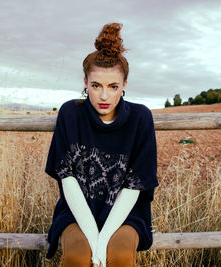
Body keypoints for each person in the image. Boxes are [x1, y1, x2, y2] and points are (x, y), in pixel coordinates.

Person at [45, 22, 158, 267]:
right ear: (85, 81)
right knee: (77, 257)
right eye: (96, 86)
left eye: (113, 86)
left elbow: (135, 185)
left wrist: (103, 240)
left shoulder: (140, 118)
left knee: (118, 256)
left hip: (126, 213)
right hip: (77, 210)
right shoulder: (70, 114)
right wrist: (93, 242)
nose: (104, 96)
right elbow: (67, 178)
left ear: (124, 85)